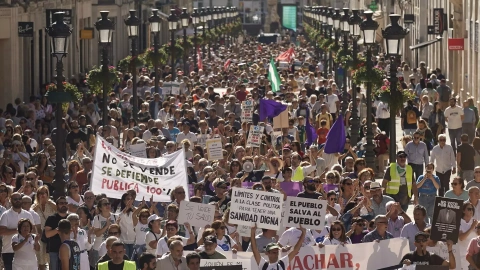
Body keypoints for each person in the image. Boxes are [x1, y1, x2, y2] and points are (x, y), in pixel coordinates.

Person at [0, 192, 35, 270]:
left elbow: (33, 231)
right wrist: (18, 230)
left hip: (26, 252)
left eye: (19, 199)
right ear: (10, 200)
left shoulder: (28, 214)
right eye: (15, 199)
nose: (18, 201)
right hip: (9, 251)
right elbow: (1, 231)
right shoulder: (5, 215)